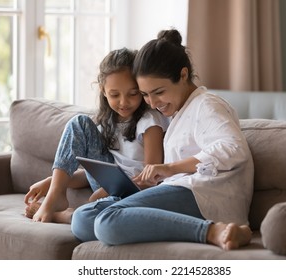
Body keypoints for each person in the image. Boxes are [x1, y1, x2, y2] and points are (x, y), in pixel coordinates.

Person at [70, 29, 254, 251]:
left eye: (158, 92)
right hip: (175, 189)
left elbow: (233, 148)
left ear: (183, 75)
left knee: (107, 222)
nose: (152, 102)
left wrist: (169, 168)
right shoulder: (177, 114)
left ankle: (214, 231)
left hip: (203, 193)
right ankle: (167, 226)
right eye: (146, 95)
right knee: (83, 219)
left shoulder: (207, 105)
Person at [24, 47, 169, 223]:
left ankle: (60, 215)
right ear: (103, 90)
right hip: (109, 186)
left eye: (133, 93)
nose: (124, 102)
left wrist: (112, 190)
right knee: (80, 123)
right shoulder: (106, 122)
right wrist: (53, 181)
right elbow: (95, 173)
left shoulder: (149, 122)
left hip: (135, 191)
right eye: (115, 95)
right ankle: (57, 194)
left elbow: (153, 176)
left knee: (95, 215)